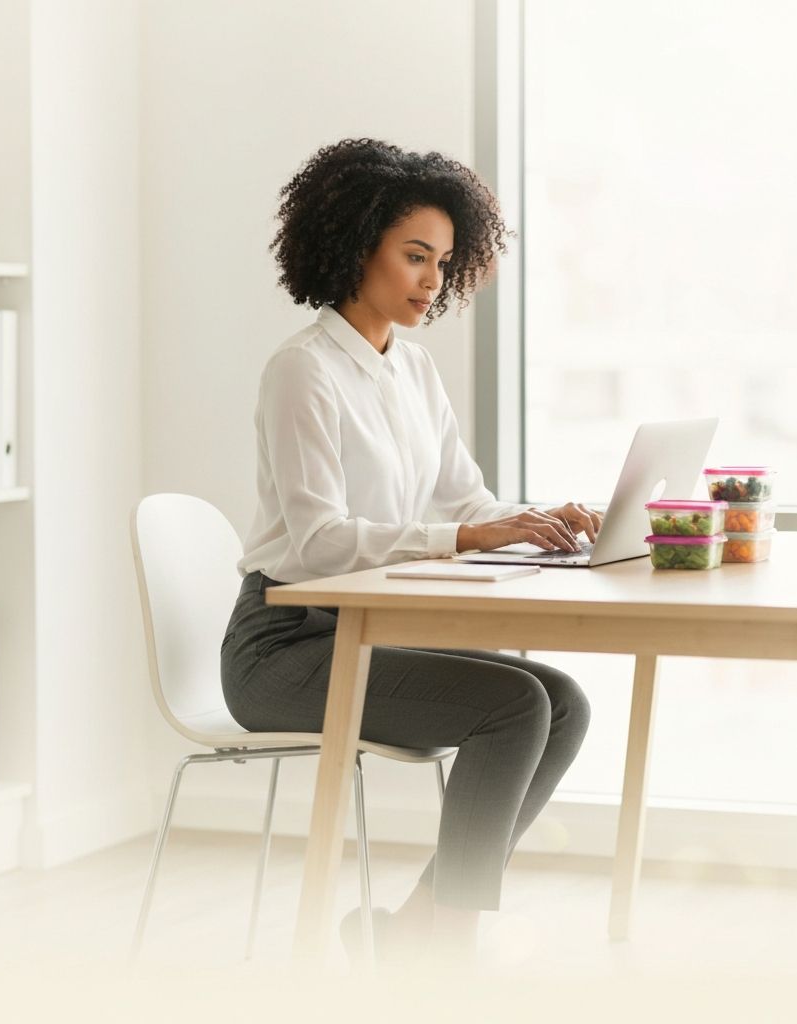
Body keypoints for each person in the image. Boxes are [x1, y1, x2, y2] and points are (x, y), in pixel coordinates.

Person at [221, 138, 598, 967]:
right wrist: (465, 536)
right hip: (286, 646)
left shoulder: (415, 371)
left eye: (444, 261)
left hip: (363, 631)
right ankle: (444, 945)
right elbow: (318, 544)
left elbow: (470, 503)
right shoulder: (302, 372)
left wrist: (542, 520)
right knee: (515, 706)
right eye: (415, 256)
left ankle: (423, 922)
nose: (432, 280)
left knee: (562, 701)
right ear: (357, 248)